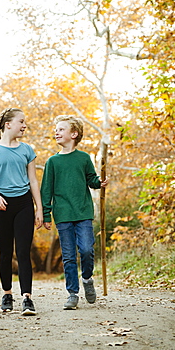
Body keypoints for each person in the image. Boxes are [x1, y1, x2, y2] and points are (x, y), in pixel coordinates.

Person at [41, 115, 108, 310]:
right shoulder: (52, 162)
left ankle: (87, 279)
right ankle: (72, 294)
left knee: (86, 249)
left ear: (74, 134)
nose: (57, 132)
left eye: (61, 129)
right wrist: (46, 215)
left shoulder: (83, 158)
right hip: (63, 214)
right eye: (56, 129)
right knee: (69, 256)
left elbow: (91, 179)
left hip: (83, 211)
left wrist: (99, 182)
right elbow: (46, 190)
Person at [0, 107, 43, 316]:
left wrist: (39, 209)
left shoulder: (27, 150)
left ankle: (27, 298)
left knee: (23, 252)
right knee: (5, 253)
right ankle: (7, 294)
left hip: (24, 204)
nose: (25, 126)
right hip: (2, 205)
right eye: (21, 122)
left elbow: (33, 181)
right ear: (8, 124)